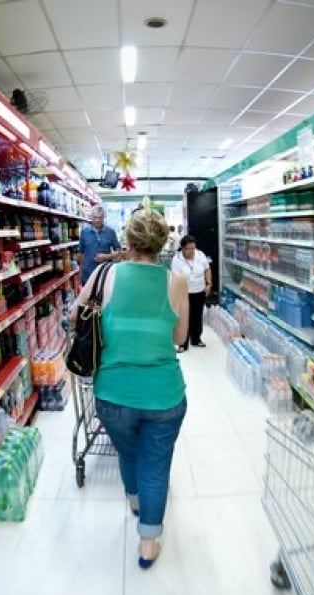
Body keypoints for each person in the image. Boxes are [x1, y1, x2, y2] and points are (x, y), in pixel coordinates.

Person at [68, 209, 189, 569]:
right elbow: (180, 338)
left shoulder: (105, 274)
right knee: (156, 464)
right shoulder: (177, 281)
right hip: (164, 394)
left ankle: (134, 499)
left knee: (128, 452)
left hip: (112, 395)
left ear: (128, 241)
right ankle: (148, 542)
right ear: (161, 243)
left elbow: (75, 317)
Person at [170, 235, 211, 352]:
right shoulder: (177, 260)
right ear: (183, 248)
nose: (192, 251)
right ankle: (183, 343)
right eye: (189, 249)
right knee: (184, 317)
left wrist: (209, 283)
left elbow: (207, 269)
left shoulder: (200, 255)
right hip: (185, 292)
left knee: (197, 316)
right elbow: (176, 278)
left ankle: (196, 339)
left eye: (193, 248)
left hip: (199, 290)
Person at [78, 205, 123, 284]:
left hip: (105, 274)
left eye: (100, 217)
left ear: (104, 217)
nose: (97, 220)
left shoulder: (110, 232)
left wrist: (107, 256)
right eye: (95, 217)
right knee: (88, 296)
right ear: (91, 217)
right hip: (87, 274)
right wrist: (80, 272)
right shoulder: (84, 232)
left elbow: (119, 251)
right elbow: (81, 253)